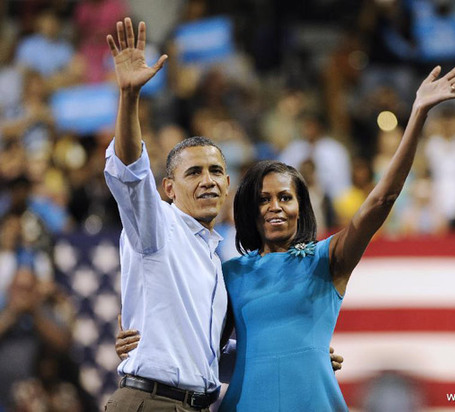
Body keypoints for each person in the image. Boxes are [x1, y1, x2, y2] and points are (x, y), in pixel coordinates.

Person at [115, 29, 455, 409]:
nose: (275, 206)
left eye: (285, 197)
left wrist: (416, 114)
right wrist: (142, 341)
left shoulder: (327, 259)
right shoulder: (231, 272)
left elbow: (381, 200)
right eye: (264, 199)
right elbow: (207, 348)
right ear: (249, 211)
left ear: (302, 207)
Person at [104, 18, 341, 412]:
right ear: (168, 189)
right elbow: (129, 172)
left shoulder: (218, 262)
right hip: (151, 401)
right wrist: (129, 97)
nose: (208, 180)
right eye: (193, 172)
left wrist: (303, 352)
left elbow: (216, 358)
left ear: (228, 185)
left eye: (216, 171)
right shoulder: (156, 226)